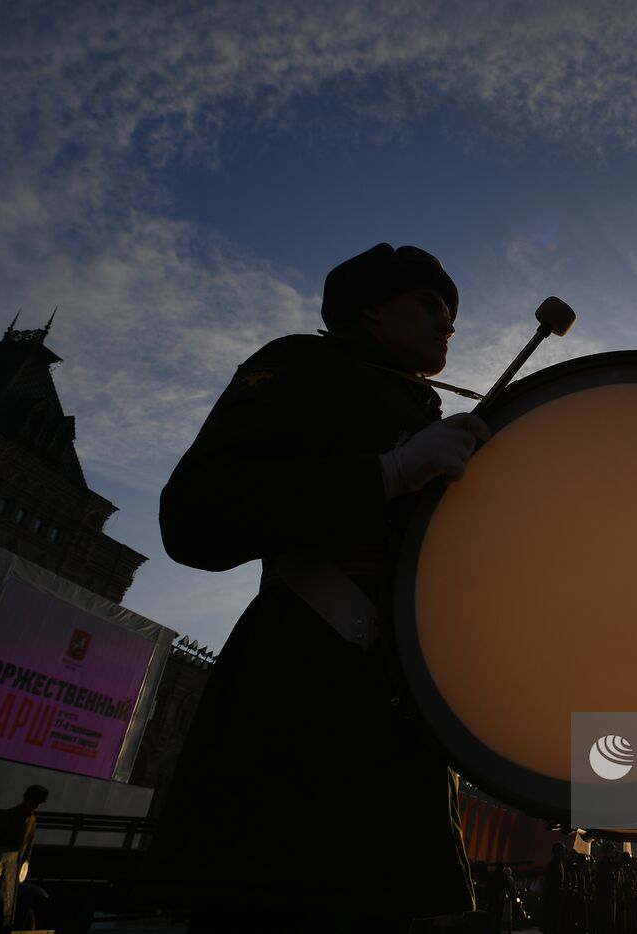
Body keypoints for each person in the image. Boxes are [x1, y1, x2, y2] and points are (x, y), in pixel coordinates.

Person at [148, 243, 490, 933]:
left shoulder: (429, 418)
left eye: (451, 312)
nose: (448, 323)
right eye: (430, 304)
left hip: (401, 730)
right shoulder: (304, 365)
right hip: (293, 715)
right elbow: (195, 516)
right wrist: (388, 473)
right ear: (370, 311)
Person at [0, 784, 49, 867]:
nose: (37, 806)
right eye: (35, 803)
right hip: (3, 863)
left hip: (7, 864)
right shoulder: (28, 819)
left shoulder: (11, 817)